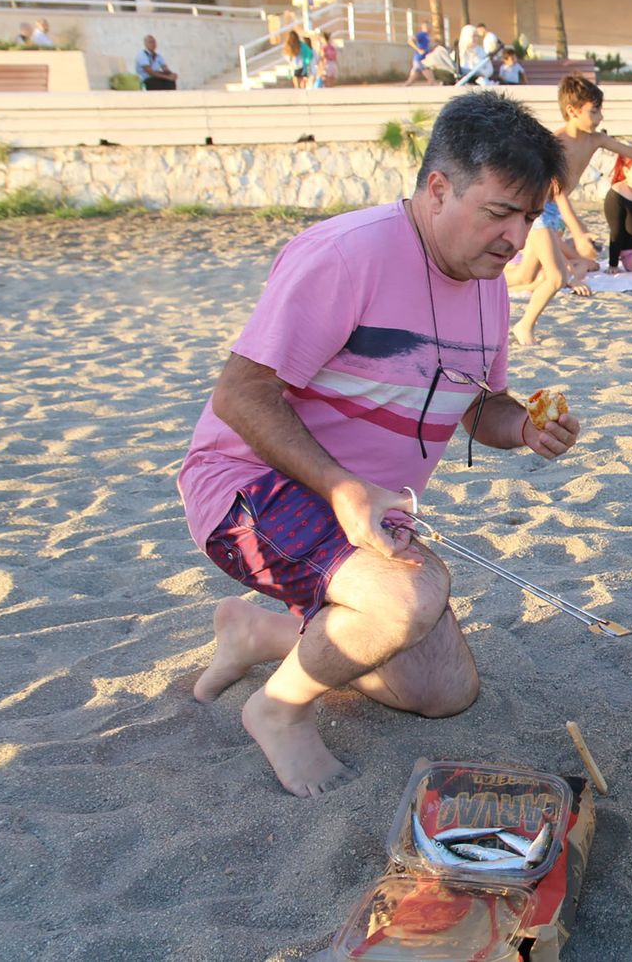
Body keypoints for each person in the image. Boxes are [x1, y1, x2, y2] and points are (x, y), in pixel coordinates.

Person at [179, 91, 576, 798]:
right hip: (250, 486)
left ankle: (259, 638)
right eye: (499, 213)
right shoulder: (347, 254)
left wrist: (523, 427)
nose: (517, 239)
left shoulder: (487, 280)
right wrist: (341, 486)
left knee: (444, 691)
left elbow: (476, 404)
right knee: (409, 597)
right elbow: (239, 395)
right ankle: (278, 708)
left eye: (530, 217)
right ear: (437, 189)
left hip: (363, 506)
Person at [503, 74, 632, 345]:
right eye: (594, 110)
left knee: (525, 275)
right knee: (556, 277)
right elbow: (557, 192)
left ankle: (478, 281)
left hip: (550, 211)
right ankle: (524, 326)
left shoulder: (595, 139)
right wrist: (578, 232)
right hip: (537, 208)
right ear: (573, 111)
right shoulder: (556, 143)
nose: (600, 117)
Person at [404, 20, 432, 86]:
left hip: (422, 59)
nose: (431, 28)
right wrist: (418, 50)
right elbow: (410, 41)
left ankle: (402, 90)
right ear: (426, 27)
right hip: (420, 59)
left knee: (410, 81)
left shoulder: (427, 36)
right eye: (430, 26)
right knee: (431, 79)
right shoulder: (422, 34)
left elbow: (426, 47)